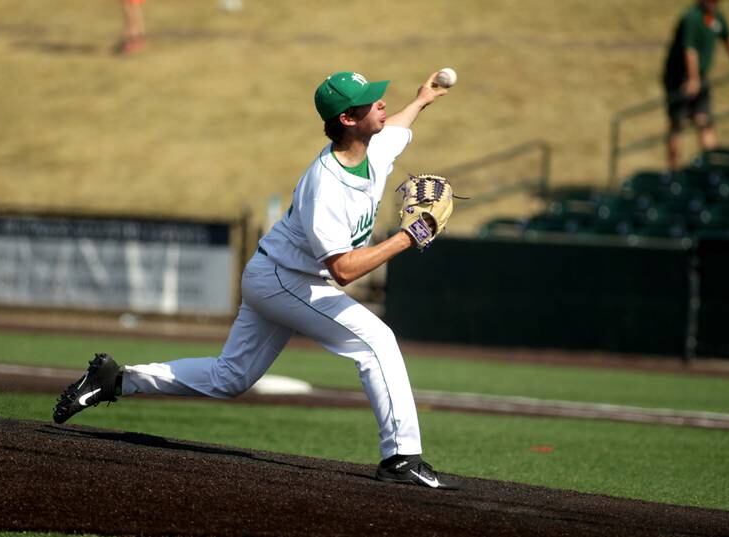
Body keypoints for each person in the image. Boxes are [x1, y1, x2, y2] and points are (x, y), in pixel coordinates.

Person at [53, 70, 459, 489]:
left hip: (282, 275)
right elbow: (345, 270)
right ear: (347, 120)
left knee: (230, 378)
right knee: (377, 342)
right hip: (286, 280)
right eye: (370, 101)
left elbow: (397, 127)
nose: (381, 103)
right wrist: (409, 238)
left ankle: (115, 380)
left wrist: (422, 99)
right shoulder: (326, 185)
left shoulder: (374, 147)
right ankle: (401, 457)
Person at [662, 0, 729, 170]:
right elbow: (690, 49)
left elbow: (728, 39)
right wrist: (693, 79)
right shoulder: (691, 18)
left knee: (704, 121)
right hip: (680, 79)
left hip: (701, 78)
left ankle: (711, 168)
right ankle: (672, 170)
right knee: (677, 124)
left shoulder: (716, 17)